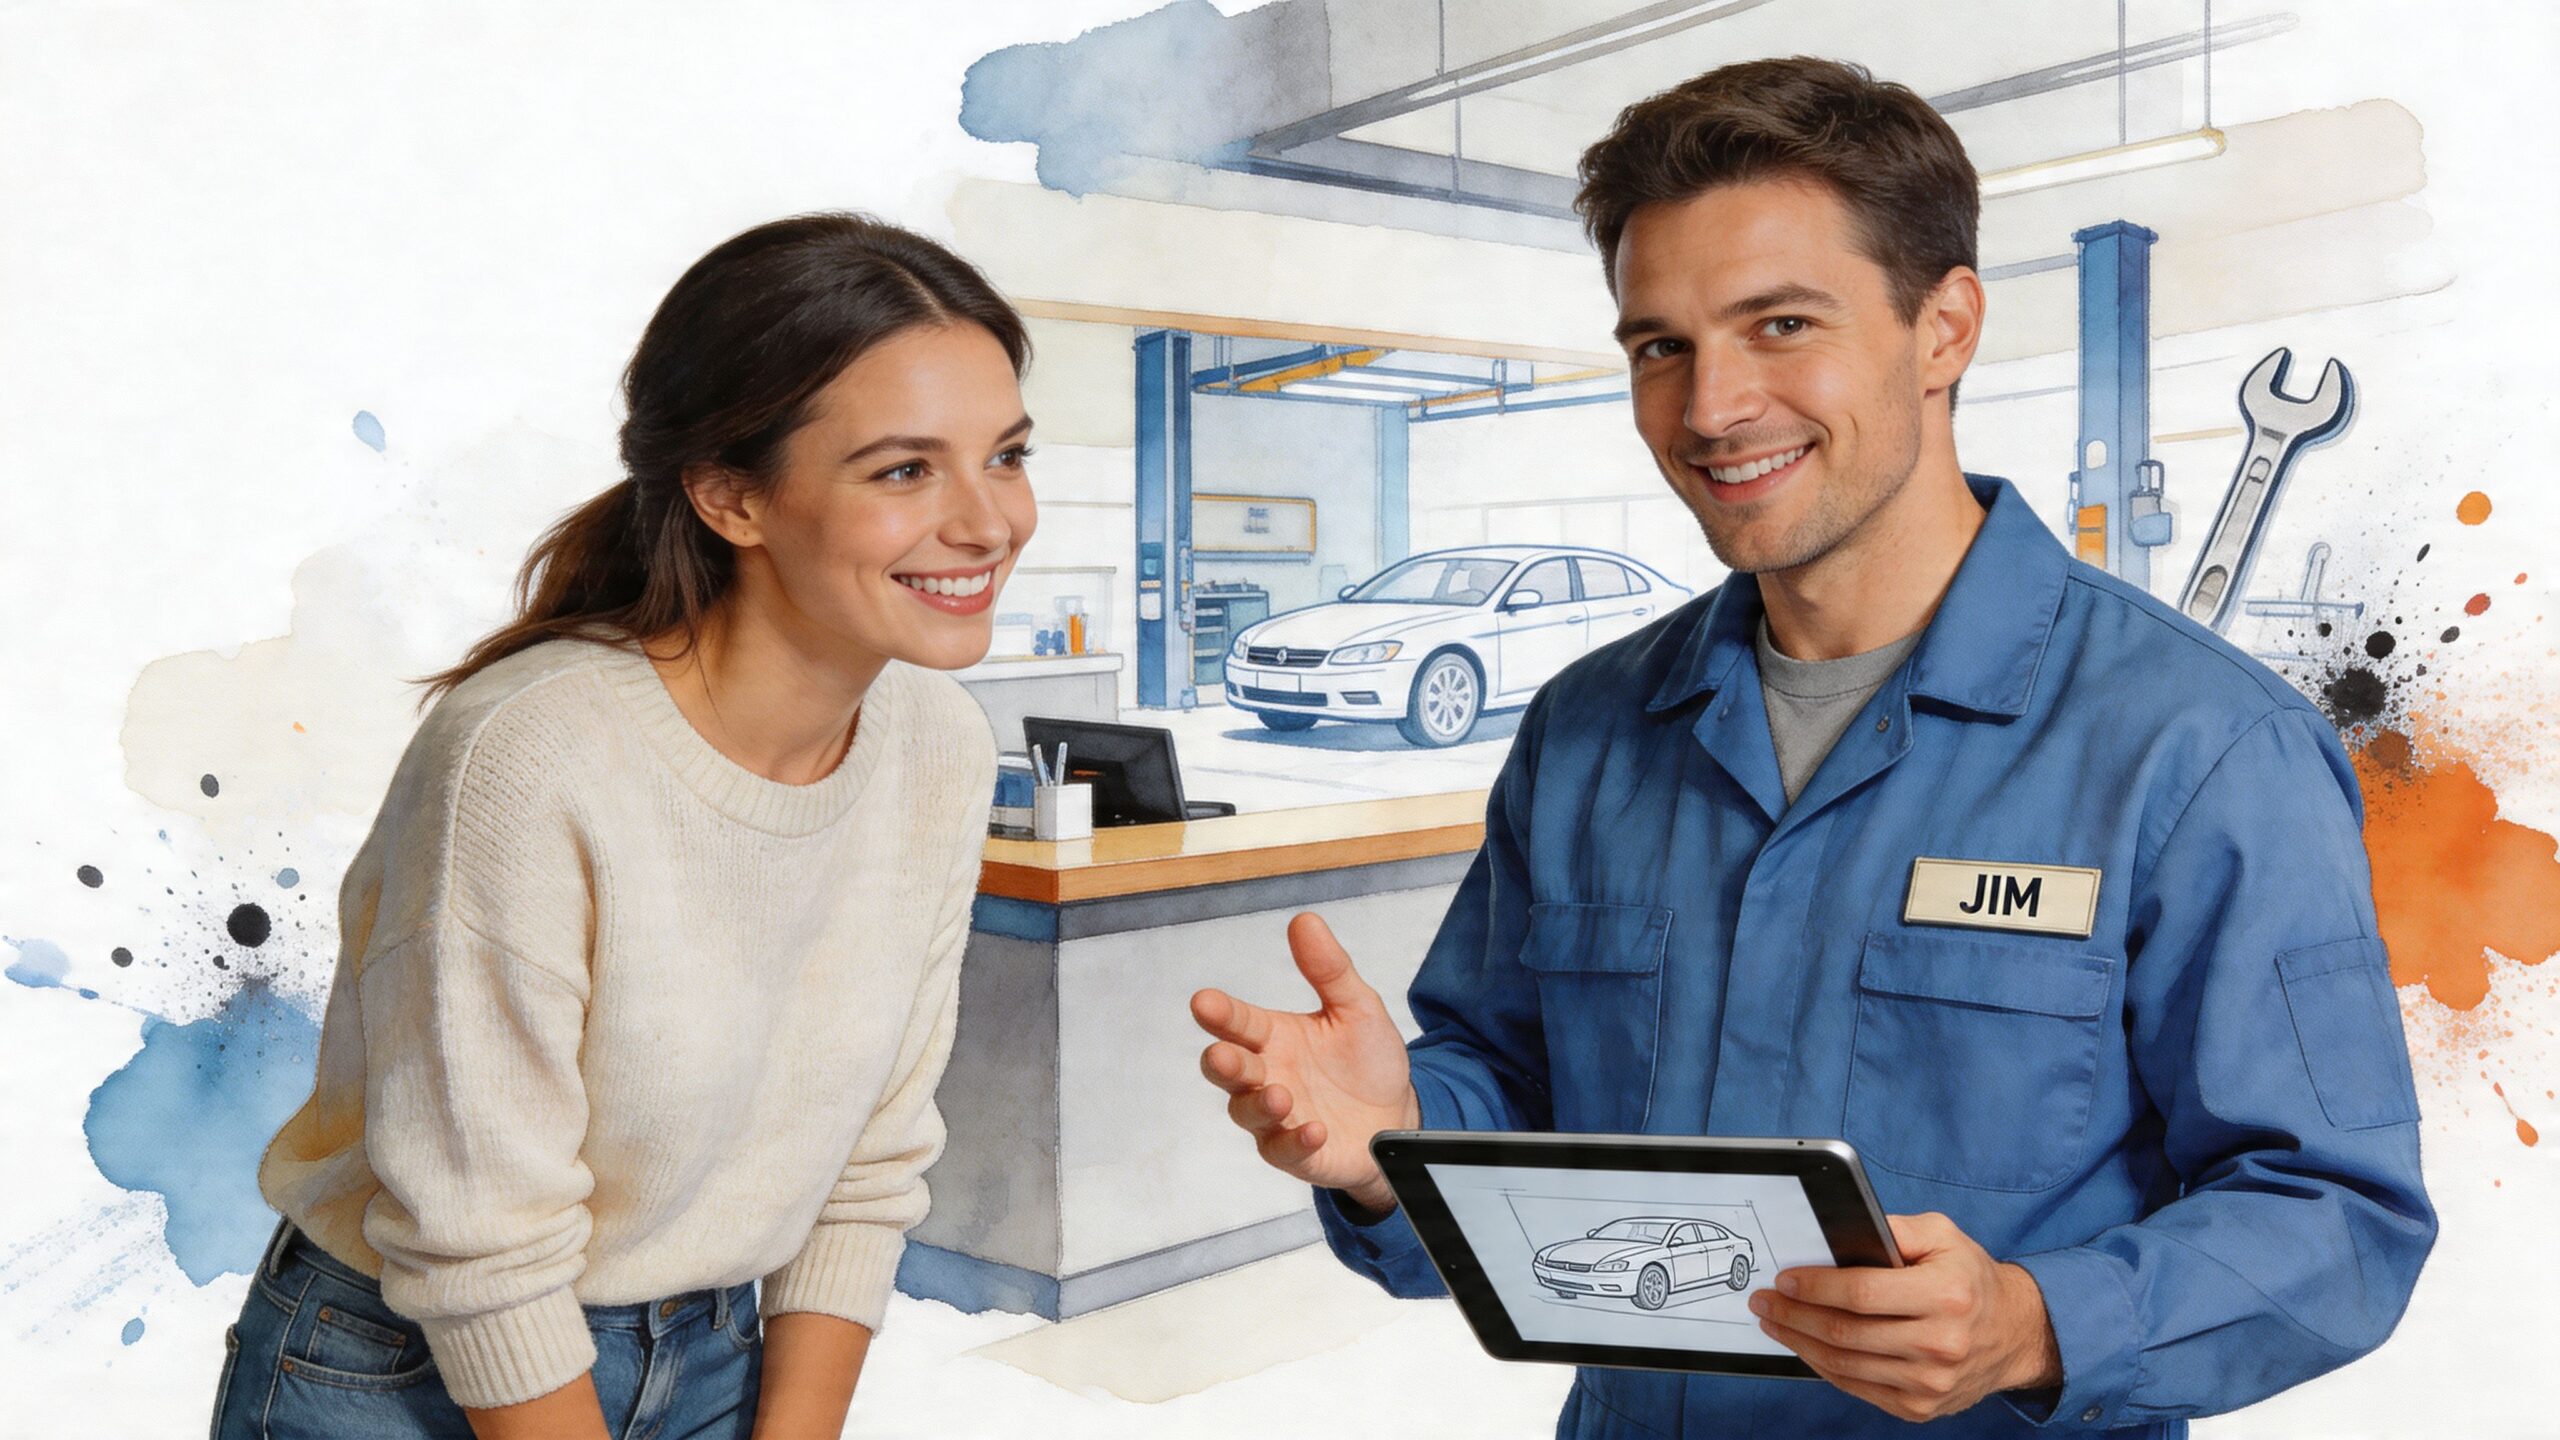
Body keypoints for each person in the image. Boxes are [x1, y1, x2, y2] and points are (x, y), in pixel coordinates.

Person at [1192, 57, 2433, 1438]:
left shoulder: (2198, 747)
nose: (1711, 407)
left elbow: (2340, 1217)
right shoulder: (1591, 732)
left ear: (1944, 326)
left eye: (1781, 324)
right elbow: (1519, 1103)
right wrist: (1391, 1141)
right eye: (1660, 345)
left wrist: (2037, 1324)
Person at [213, 212, 1034, 1440]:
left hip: (714, 1353)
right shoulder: (532, 754)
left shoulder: (937, 746)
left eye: (1007, 455)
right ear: (729, 496)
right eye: (904, 470)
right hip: (406, 1373)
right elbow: (482, 1243)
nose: (988, 523)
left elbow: (866, 1162)